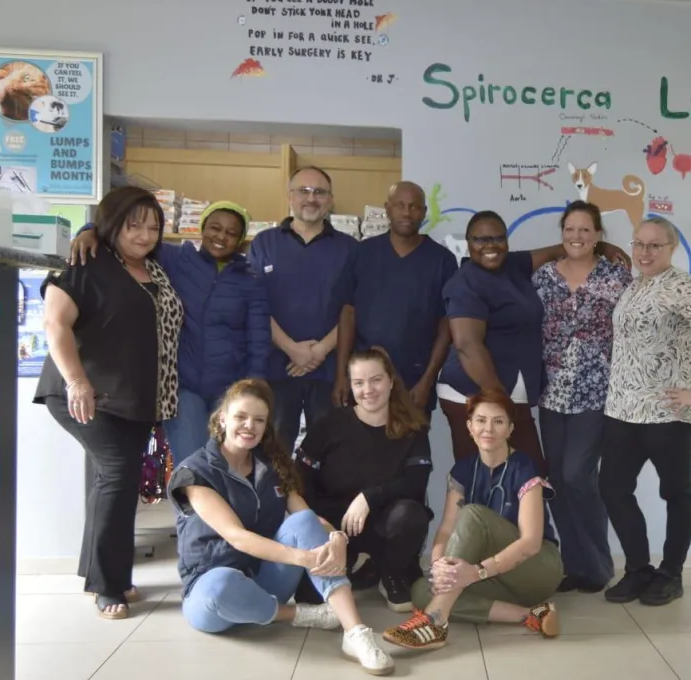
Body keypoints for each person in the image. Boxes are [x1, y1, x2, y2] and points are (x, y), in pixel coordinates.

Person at [169, 379, 394, 676]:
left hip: (264, 577)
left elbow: (308, 517)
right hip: (210, 591)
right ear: (222, 418)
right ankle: (299, 614)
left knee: (303, 522)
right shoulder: (194, 472)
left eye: (258, 420)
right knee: (219, 586)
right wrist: (303, 558)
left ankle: (354, 632)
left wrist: (337, 537)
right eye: (241, 417)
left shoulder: (270, 466)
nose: (249, 426)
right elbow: (237, 537)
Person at [34, 186, 184, 619]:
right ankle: (108, 585)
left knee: (111, 479)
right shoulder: (87, 261)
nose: (144, 235)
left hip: (137, 399)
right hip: (85, 394)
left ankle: (96, 569)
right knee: (118, 475)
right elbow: (55, 322)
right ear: (112, 224)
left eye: (153, 226)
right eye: (133, 225)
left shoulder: (156, 269)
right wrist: (77, 381)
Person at [69, 200, 270, 465]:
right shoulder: (177, 259)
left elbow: (259, 341)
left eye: (231, 233)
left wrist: (252, 391)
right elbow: (128, 238)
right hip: (182, 388)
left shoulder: (250, 281)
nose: (221, 236)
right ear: (202, 229)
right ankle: (190, 509)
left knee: (225, 466)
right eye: (215, 228)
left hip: (228, 390)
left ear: (241, 240)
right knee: (191, 465)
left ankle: (223, 508)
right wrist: (89, 230)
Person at [600, 217, 691, 607]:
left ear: (671, 248)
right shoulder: (635, 285)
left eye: (654, 245)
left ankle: (670, 574)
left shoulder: (681, 285)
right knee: (612, 488)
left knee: (675, 493)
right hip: (623, 408)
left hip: (667, 411)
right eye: (639, 244)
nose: (644, 252)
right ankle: (638, 569)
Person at [436, 210, 628, 472]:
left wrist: (600, 245)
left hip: (510, 392)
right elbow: (467, 346)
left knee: (530, 478)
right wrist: (499, 403)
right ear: (468, 242)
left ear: (507, 240)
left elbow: (557, 251)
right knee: (485, 478)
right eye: (480, 239)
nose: (489, 245)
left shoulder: (512, 265)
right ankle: (475, 515)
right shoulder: (465, 283)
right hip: (474, 394)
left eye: (497, 238)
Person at [382, 389, 562, 650]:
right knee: (422, 591)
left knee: (473, 514)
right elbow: (445, 531)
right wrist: (439, 569)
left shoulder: (525, 467)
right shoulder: (463, 471)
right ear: (469, 426)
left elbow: (531, 543)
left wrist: (477, 572)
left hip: (536, 569)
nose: (488, 429)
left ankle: (434, 621)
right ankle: (531, 615)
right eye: (481, 420)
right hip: (492, 575)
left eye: (498, 421)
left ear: (510, 429)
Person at [532, 201, 632, 594]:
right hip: (551, 391)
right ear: (561, 233)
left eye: (585, 230)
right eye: (570, 229)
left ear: (598, 235)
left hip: (596, 392)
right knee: (556, 480)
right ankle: (574, 566)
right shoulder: (543, 278)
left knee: (578, 475)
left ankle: (598, 565)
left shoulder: (616, 276)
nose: (577, 236)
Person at [294, 348, 433, 612]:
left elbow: (415, 484)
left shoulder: (412, 428)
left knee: (410, 514)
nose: (367, 389)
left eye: (376, 380)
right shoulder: (329, 423)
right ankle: (353, 561)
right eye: (359, 382)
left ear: (391, 381)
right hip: (334, 527)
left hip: (384, 523)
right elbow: (301, 478)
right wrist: (319, 526)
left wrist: (370, 496)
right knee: (308, 598)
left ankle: (389, 572)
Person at [249, 167, 358, 450]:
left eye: (319, 192)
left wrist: (320, 350)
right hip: (276, 368)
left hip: (330, 373)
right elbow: (253, 304)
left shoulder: (350, 248)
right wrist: (291, 348)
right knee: (273, 452)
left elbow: (355, 308)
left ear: (330, 200)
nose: (312, 198)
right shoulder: (264, 243)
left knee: (330, 452)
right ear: (290, 197)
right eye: (304, 191)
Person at [334, 181, 457, 417]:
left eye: (414, 206)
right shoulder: (362, 253)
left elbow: (446, 326)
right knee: (364, 450)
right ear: (387, 209)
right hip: (365, 380)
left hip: (415, 381)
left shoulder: (442, 260)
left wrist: (427, 381)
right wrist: (341, 375)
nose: (407, 212)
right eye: (400, 205)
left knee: (412, 450)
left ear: (423, 212)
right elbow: (347, 313)